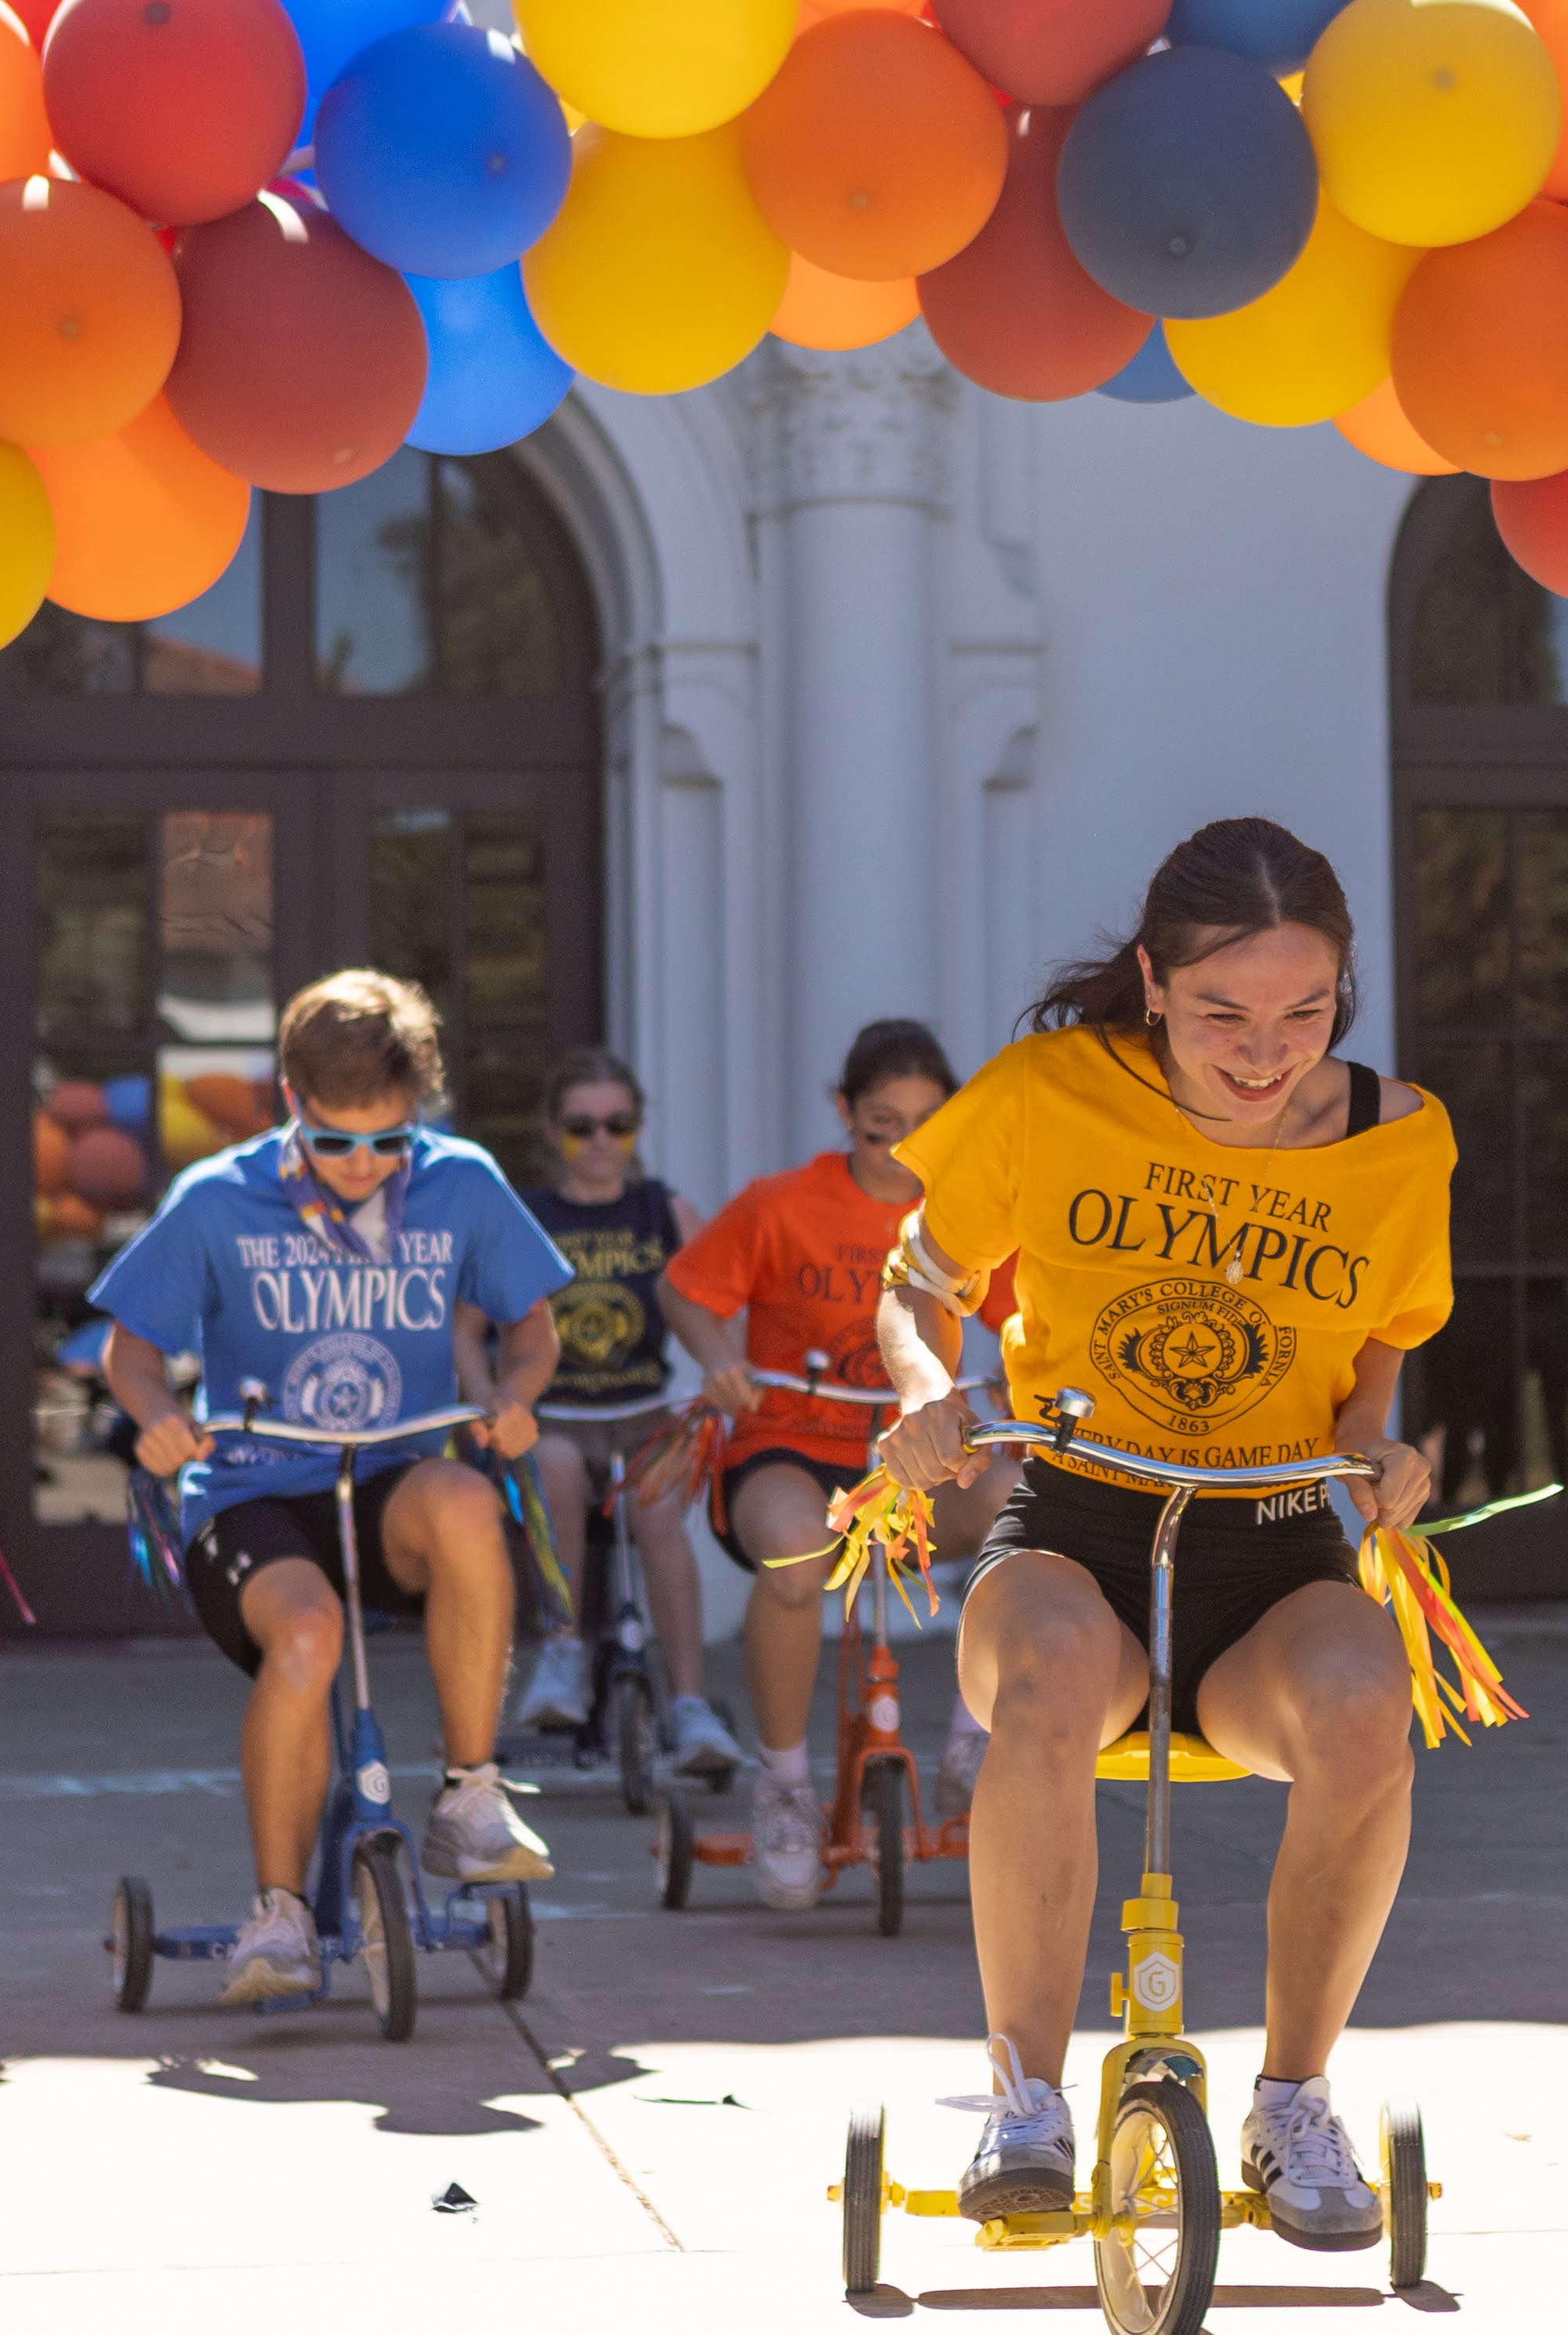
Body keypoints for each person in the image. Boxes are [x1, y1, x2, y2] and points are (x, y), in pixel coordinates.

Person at [872, 818, 1453, 2252]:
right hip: (1074, 1520)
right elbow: (917, 1283)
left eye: (1302, 1012)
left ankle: (1293, 2096)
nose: (1263, 1051)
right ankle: (1025, 2098)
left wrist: (1390, 1451)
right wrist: (930, 1388)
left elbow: (1376, 1349)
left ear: (1342, 995)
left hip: (1270, 1540)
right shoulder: (1049, 1094)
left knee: (1369, 1706)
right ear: (1150, 980)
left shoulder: (1400, 1135)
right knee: (1058, 1677)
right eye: (1221, 1014)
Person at [94, 970, 570, 2005]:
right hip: (253, 1494)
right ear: (290, 1101)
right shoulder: (219, 1197)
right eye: (335, 1139)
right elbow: (130, 1354)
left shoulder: (463, 1182)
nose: (361, 1166)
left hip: (390, 1475)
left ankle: (469, 1798)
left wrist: (518, 1395)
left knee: (465, 1501)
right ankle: (277, 1913)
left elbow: (530, 1326)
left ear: (418, 1115)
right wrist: (157, 1418)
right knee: (306, 1636)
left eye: (387, 1141)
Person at [659, 1019, 1009, 1909]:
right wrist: (717, 1358)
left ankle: (977, 1736)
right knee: (793, 1559)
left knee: (1025, 1509)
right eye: (878, 1125)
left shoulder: (971, 1213)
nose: (899, 1150)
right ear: (844, 1112)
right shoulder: (781, 1204)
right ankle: (783, 1785)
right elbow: (687, 1288)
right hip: (793, 1441)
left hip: (921, 1452)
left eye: (924, 1128)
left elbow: (1026, 1321)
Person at [465, 1049, 741, 1777]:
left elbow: (713, 1308)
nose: (598, 1143)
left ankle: (689, 1703)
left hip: (644, 1410)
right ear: (553, 1131)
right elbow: (466, 1328)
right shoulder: (526, 1215)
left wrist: (726, 1369)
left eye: (616, 1126)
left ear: (637, 1130)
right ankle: (560, 1651)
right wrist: (488, 1402)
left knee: (654, 1511)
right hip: (551, 1413)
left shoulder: (665, 1210)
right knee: (552, 1468)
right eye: (580, 1126)